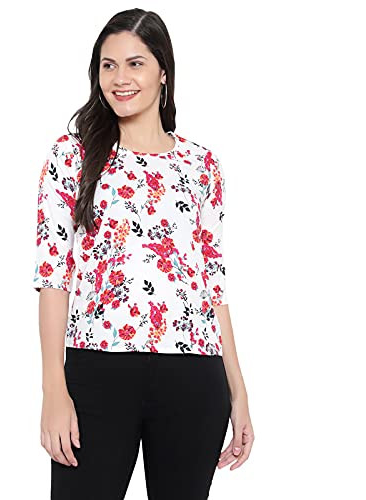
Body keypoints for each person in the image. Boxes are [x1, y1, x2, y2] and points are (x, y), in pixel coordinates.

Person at [32, 8, 254, 499]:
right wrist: (53, 388)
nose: (120, 78)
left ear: (163, 72)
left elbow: (212, 284)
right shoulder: (72, 156)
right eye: (108, 65)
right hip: (97, 370)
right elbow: (52, 276)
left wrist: (238, 391)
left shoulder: (201, 165)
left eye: (135, 63)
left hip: (193, 374)